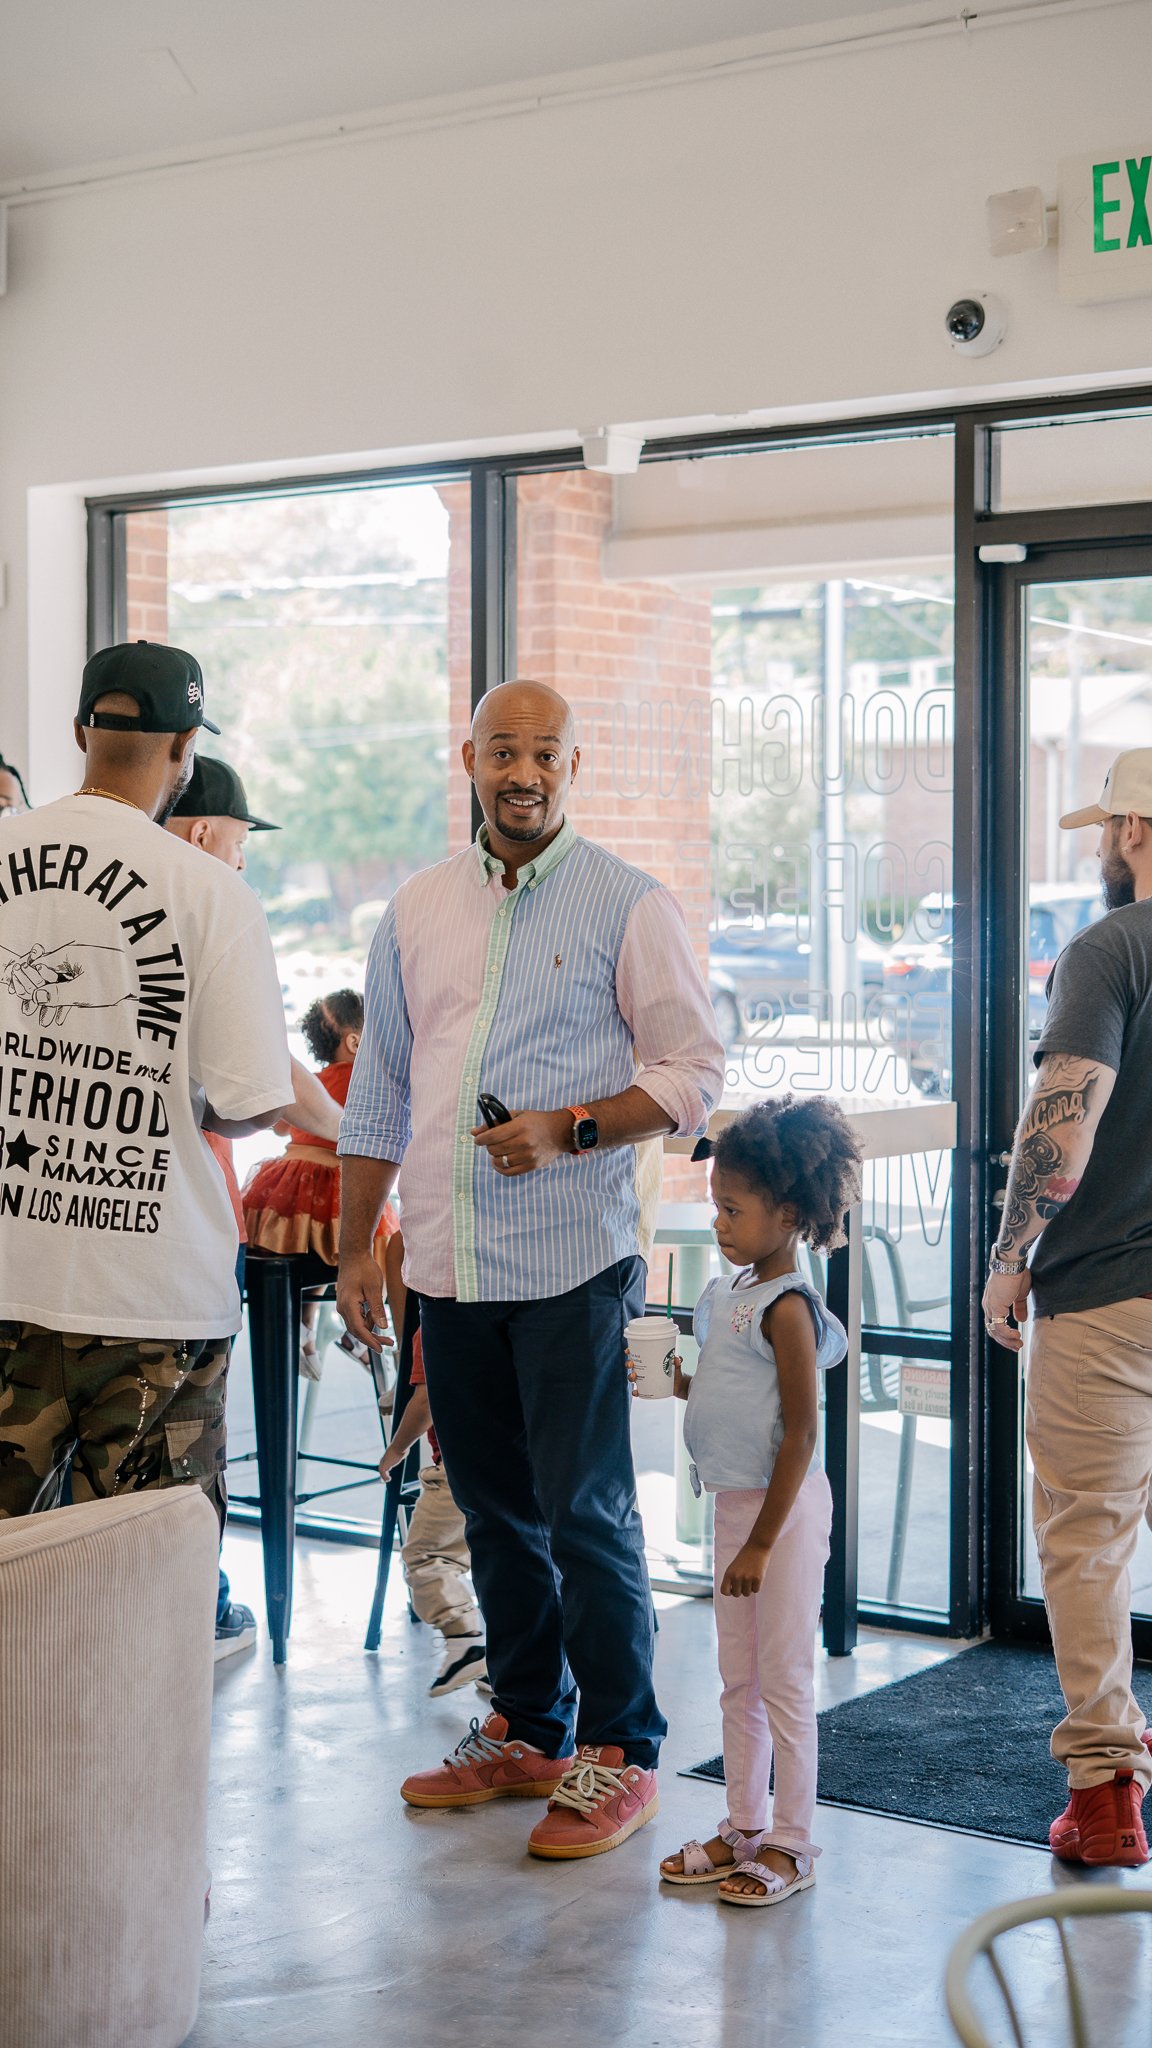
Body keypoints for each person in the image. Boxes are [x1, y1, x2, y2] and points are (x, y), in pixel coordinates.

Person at [336, 679, 724, 1861]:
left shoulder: (628, 903)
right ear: (469, 756)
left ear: (571, 766)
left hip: (571, 1261)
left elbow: (695, 1072)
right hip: (448, 1265)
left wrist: (573, 1126)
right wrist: (359, 1243)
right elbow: (381, 1091)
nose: (523, 771)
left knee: (586, 1511)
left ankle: (622, 1747)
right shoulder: (414, 909)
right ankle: (530, 1722)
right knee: (494, 1512)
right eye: (503, 748)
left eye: (545, 752)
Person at [0, 640, 292, 1555]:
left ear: (79, 728)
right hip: (155, 1300)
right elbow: (249, 1101)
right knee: (145, 1603)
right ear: (186, 748)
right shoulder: (211, 893)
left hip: (9, 1272)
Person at [983, 746, 1152, 1868]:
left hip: (1108, 1299)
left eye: (1108, 826)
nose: (1101, 846)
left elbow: (1065, 1116)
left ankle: (1106, 1801)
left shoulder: (1110, 949)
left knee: (1088, 1540)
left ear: (1134, 828)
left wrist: (1011, 1255)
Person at [656, 1097, 859, 1906]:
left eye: (733, 1210)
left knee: (782, 1681)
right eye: (716, 1207)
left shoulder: (790, 1311)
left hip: (782, 1516)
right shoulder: (731, 1293)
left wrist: (762, 1545)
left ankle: (793, 1839)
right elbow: (731, 1391)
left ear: (787, 1213)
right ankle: (744, 1825)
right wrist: (679, 1383)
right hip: (738, 1510)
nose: (719, 1223)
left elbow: (802, 1435)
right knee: (735, 1681)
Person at [165, 752, 344, 1658]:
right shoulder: (206, 905)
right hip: (174, 1237)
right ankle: (201, 1606)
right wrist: (359, 1139)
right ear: (204, 833)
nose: (245, 860)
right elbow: (268, 1074)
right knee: (178, 1448)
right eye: (241, 839)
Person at [378, 1230, 489, 1698]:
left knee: (427, 1555)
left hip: (457, 1469)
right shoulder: (500, 1318)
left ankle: (464, 1639)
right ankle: (502, 1663)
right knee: (496, 1560)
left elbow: (427, 1400)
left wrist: (397, 1447)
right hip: (510, 1462)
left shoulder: (437, 1327)